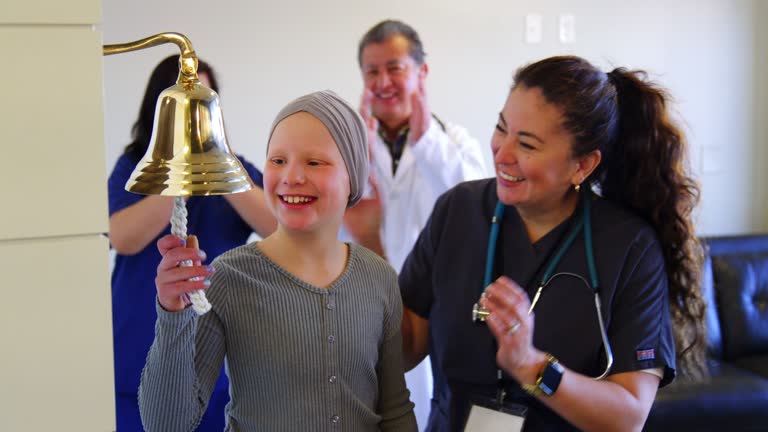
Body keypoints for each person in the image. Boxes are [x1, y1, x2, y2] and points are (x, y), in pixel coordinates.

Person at [399, 55, 708, 431]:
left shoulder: (629, 248)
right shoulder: (458, 211)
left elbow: (628, 415)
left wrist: (531, 366)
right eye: (501, 127)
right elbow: (409, 338)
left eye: (527, 144)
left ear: (582, 166)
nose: (502, 152)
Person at [138, 90, 418, 431]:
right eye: (278, 160)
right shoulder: (228, 277)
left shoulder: (379, 278)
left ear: (353, 178)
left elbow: (395, 410)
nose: (292, 177)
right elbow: (166, 424)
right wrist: (172, 315)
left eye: (314, 162)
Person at [108, 55, 276, 432]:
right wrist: (180, 167)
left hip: (213, 362)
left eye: (202, 105)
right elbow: (123, 236)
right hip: (135, 352)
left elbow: (278, 228)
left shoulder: (234, 171)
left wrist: (217, 158)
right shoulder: (135, 166)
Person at [343, 19, 488, 427]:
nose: (383, 82)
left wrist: (427, 142)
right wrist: (354, 153)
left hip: (433, 315)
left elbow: (481, 207)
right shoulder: (346, 148)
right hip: (361, 306)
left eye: (395, 68)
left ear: (421, 72)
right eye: (372, 71)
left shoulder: (453, 142)